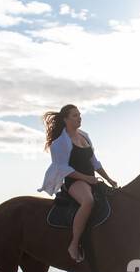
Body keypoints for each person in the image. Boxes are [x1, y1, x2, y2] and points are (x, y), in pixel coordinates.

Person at [39, 104, 117, 262]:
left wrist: (108, 178)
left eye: (79, 115)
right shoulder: (59, 143)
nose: (79, 117)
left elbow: (94, 162)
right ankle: (74, 244)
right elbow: (62, 169)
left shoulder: (85, 136)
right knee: (88, 201)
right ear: (66, 119)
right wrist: (86, 178)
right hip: (74, 181)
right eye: (75, 115)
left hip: (91, 179)